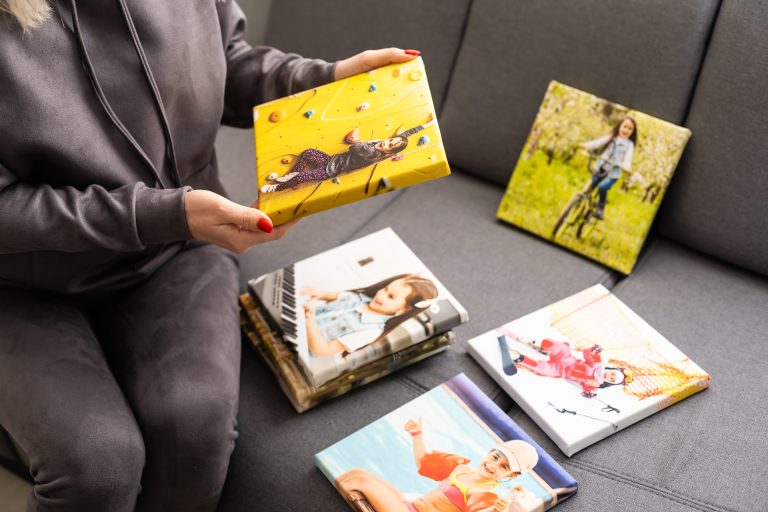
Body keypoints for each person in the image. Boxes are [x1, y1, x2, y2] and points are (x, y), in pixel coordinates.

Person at [0, 1, 420, 510]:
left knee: (195, 426)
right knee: (99, 464)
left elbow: (228, 61)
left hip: (179, 250)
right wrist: (164, 213)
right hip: (20, 285)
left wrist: (326, 80)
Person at [335, 417, 539, 512]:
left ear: (511, 476)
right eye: (495, 457)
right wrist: (416, 434)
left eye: (504, 467)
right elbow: (423, 461)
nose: (493, 465)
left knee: (361, 482)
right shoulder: (461, 467)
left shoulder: (488, 494)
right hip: (411, 506)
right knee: (358, 472)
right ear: (489, 453)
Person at [260, 125, 426, 193]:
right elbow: (403, 135)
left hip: (329, 170)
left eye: (390, 144)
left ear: (389, 151)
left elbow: (353, 147)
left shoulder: (371, 152)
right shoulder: (384, 146)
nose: (386, 141)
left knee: (304, 176)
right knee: (308, 153)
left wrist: (361, 140)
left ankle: (277, 188)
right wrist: (424, 126)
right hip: (330, 160)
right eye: (390, 140)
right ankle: (292, 176)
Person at [301, 273, 438, 356]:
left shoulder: (371, 331)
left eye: (391, 296)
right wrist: (319, 293)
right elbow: (329, 295)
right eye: (385, 289)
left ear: (404, 309)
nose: (381, 295)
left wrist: (309, 321)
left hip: (295, 348)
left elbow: (321, 350)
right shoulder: (358, 297)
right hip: (291, 322)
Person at [506, 339, 634, 398]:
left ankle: (520, 358)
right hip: (568, 360)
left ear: (610, 382)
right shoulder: (597, 364)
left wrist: (588, 392)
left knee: (544, 369)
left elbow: (586, 387)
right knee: (563, 349)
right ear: (611, 370)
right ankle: (548, 346)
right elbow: (588, 354)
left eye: (612, 379)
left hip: (561, 371)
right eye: (612, 374)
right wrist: (593, 350)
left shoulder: (596, 383)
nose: (609, 376)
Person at [579, 116, 638, 219]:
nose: (626, 130)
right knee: (590, 187)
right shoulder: (611, 137)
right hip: (601, 168)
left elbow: (628, 158)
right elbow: (597, 143)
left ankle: (601, 208)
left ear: (632, 132)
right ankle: (580, 206)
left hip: (613, 174)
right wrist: (587, 145)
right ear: (619, 126)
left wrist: (626, 166)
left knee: (602, 187)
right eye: (625, 127)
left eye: (630, 129)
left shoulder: (630, 145)